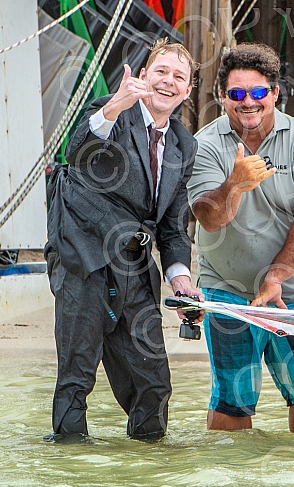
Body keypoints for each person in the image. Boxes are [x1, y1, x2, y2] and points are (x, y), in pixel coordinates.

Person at [44, 38, 204, 441]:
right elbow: (76, 152)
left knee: (154, 385)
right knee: (76, 378)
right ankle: (69, 469)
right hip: (83, 256)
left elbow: (172, 225)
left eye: (179, 77)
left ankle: (147, 476)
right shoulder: (111, 113)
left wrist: (181, 278)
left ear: (188, 91)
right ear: (144, 77)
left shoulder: (185, 145)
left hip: (133, 263)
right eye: (161, 72)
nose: (168, 82)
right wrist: (116, 105)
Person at [187, 43, 294, 435]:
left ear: (275, 93)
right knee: (232, 398)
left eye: (258, 92)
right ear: (222, 96)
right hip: (227, 290)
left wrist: (277, 276)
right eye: (237, 94)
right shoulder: (204, 144)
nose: (248, 103)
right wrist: (235, 184)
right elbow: (209, 218)